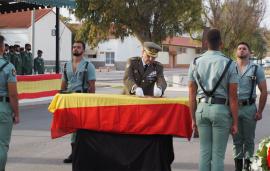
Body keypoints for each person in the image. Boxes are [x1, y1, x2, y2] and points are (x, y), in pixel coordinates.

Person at [188, 28, 238, 171]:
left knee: (204, 153)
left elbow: (191, 94)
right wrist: (235, 122)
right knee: (217, 155)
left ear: (205, 43)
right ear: (221, 43)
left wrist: (193, 118)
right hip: (221, 110)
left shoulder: (195, 62)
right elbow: (233, 97)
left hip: (202, 110)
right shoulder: (229, 63)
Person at [233, 42, 267, 171]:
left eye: (244, 49)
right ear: (236, 52)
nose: (241, 50)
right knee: (236, 141)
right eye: (239, 48)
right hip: (234, 108)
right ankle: (238, 168)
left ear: (249, 52)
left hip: (249, 108)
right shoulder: (230, 67)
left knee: (249, 141)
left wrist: (260, 111)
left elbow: (264, 90)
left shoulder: (256, 68)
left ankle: (247, 168)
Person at [60, 40, 96, 163]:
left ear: (83, 50)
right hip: (69, 99)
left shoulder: (88, 65)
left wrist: (91, 104)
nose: (75, 49)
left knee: (80, 127)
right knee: (73, 128)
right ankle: (75, 153)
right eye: (74, 47)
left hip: (82, 99)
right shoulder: (66, 65)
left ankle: (77, 153)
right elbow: (63, 84)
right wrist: (60, 98)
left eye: (78, 47)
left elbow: (92, 86)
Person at [0, 35, 19, 170]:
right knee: (1, 145)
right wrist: (16, 113)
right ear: (2, 47)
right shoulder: (8, 66)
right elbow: (12, 94)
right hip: (3, 108)